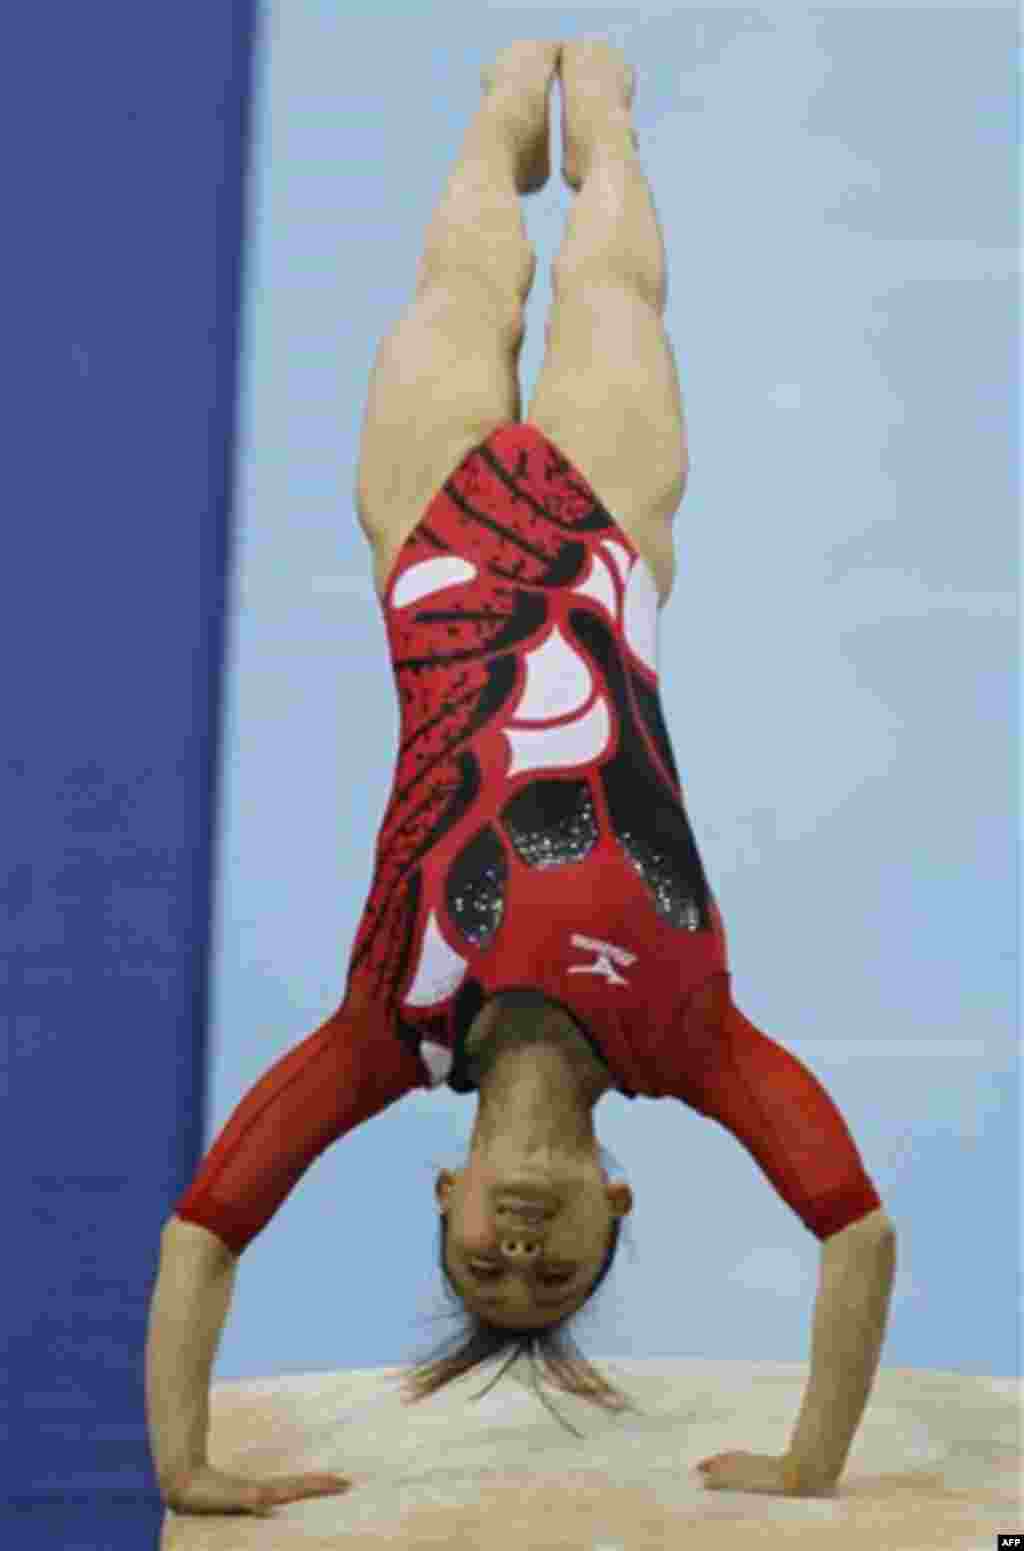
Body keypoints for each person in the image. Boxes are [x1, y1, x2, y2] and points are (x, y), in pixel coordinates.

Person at [146, 40, 891, 1518]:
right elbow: (857, 1235)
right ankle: (601, 106)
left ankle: (503, 109)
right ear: (621, 1207)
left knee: (464, 277)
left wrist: (182, 1463)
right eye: (559, 1270)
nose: (524, 1250)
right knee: (614, 284)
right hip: (608, 540)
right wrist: (813, 1461)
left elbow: (201, 1236)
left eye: (489, 1261)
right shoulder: (689, 1036)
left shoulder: (384, 1029)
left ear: (445, 1201)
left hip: (431, 542)